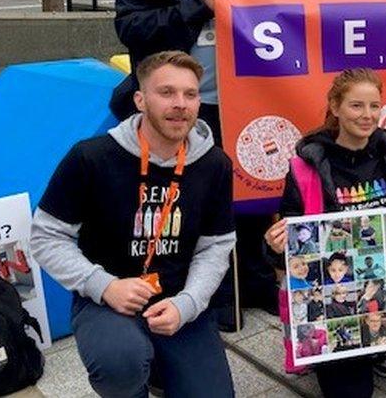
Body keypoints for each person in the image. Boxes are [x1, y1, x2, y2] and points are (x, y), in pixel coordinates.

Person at [109, 0, 268, 327]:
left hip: (238, 100)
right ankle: (207, 298)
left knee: (250, 191)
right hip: (181, 108)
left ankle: (253, 282)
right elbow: (132, 30)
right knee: (193, 201)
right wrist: (195, 6)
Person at [31, 51, 235, 397]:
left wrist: (187, 303)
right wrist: (103, 285)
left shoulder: (214, 163)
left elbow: (215, 247)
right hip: (106, 299)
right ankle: (134, 376)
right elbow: (46, 236)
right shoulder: (91, 157)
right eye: (166, 92)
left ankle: (161, 367)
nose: (180, 104)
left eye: (190, 94)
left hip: (177, 299)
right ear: (140, 100)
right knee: (120, 362)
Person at [262, 68, 386, 395]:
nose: (367, 115)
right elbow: (289, 239)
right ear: (335, 107)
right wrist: (274, 246)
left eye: (374, 106)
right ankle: (356, 350)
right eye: (356, 106)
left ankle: (380, 344)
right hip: (338, 292)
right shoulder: (307, 166)